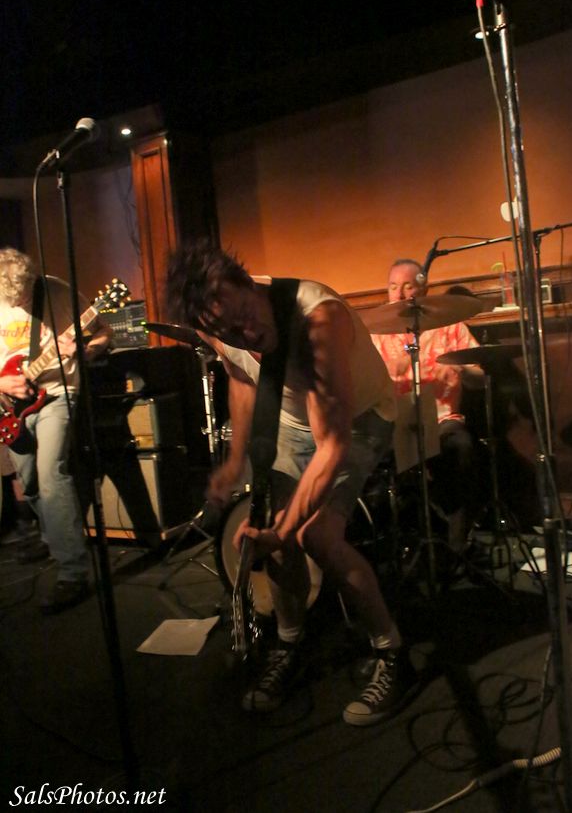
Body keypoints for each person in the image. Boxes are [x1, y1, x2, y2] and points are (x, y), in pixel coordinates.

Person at [166, 241, 418, 726]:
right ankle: (289, 644)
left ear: (250, 283)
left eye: (245, 316)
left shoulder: (319, 320)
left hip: (360, 419)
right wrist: (235, 460)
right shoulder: (215, 322)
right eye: (229, 330)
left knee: (315, 535)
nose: (246, 334)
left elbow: (332, 445)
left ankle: (392, 652)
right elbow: (242, 377)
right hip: (289, 420)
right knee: (271, 532)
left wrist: (283, 531)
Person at [0, 248, 113, 613]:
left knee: (52, 474)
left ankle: (72, 572)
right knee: (31, 483)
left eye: (22, 295)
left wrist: (83, 349)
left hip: (58, 394)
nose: (18, 302)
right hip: (10, 406)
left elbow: (104, 333)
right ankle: (52, 537)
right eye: (11, 299)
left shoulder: (58, 292)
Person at [371, 258, 485, 561]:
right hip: (396, 419)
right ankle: (392, 542)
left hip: (443, 419)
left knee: (460, 447)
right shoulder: (378, 333)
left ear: (423, 289)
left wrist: (462, 368)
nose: (399, 294)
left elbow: (479, 379)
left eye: (407, 286)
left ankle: (456, 544)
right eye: (393, 287)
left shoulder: (451, 327)